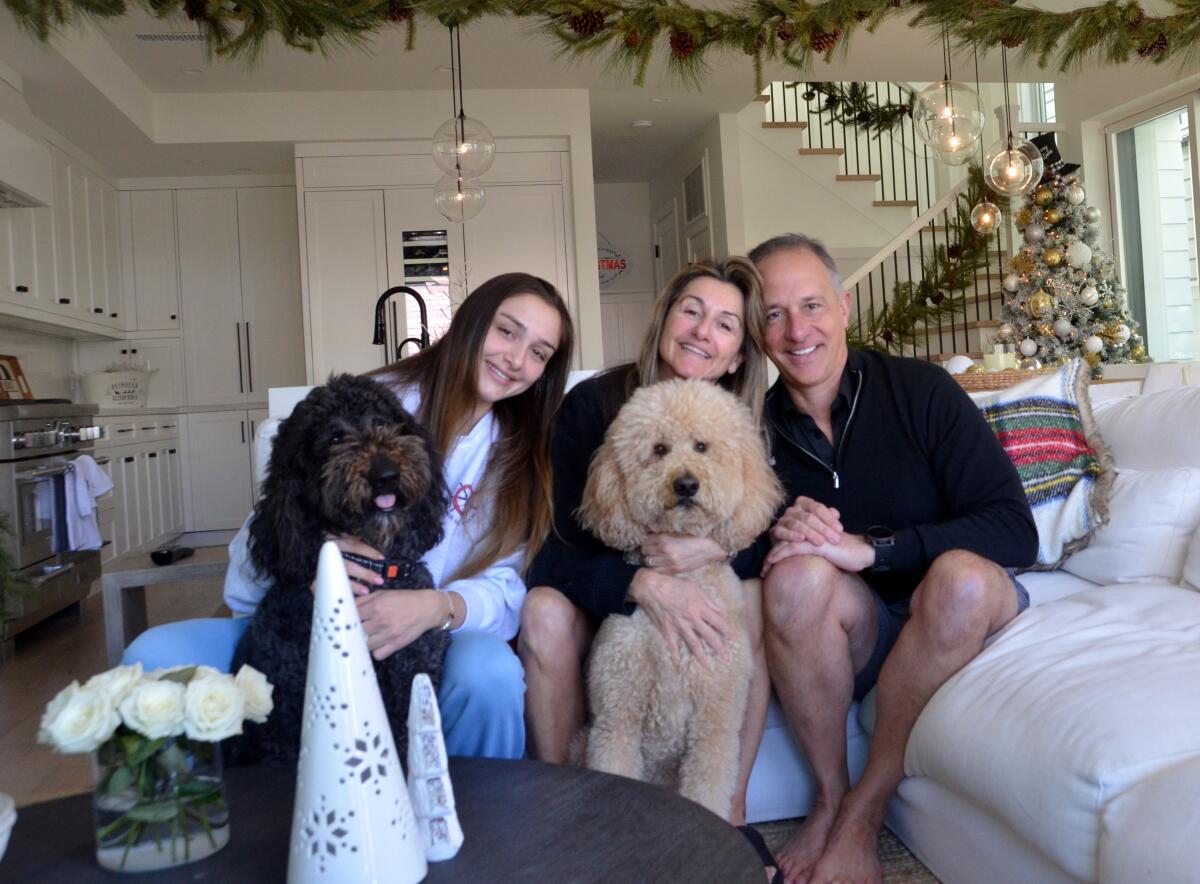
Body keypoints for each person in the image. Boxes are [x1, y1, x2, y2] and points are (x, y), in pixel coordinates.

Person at [123, 272, 574, 760]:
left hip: (424, 629)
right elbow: (250, 567)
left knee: (490, 675)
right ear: (470, 322)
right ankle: (190, 828)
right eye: (507, 331)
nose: (516, 359)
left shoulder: (525, 456)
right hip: (303, 621)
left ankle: (480, 822)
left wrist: (436, 607)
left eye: (539, 352)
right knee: (153, 659)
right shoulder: (365, 400)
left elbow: (508, 587)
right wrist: (312, 558)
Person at [748, 234, 1037, 884]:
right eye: (774, 313)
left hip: (960, 612)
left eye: (813, 305)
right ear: (757, 329)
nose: (798, 331)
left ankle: (863, 811)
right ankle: (828, 798)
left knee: (958, 580)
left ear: (845, 308)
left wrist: (870, 549)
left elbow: (1016, 531)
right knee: (794, 576)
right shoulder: (754, 434)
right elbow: (746, 554)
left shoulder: (920, 391)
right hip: (867, 631)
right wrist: (778, 532)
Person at [519, 257, 772, 827]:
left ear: (737, 356)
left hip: (702, 576)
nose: (704, 331)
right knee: (542, 612)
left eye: (725, 324)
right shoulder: (594, 406)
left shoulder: (741, 422)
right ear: (664, 321)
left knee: (754, 592)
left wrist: (717, 549)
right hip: (603, 591)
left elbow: (762, 524)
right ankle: (569, 814)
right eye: (692, 312)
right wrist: (640, 583)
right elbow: (548, 546)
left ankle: (727, 813)